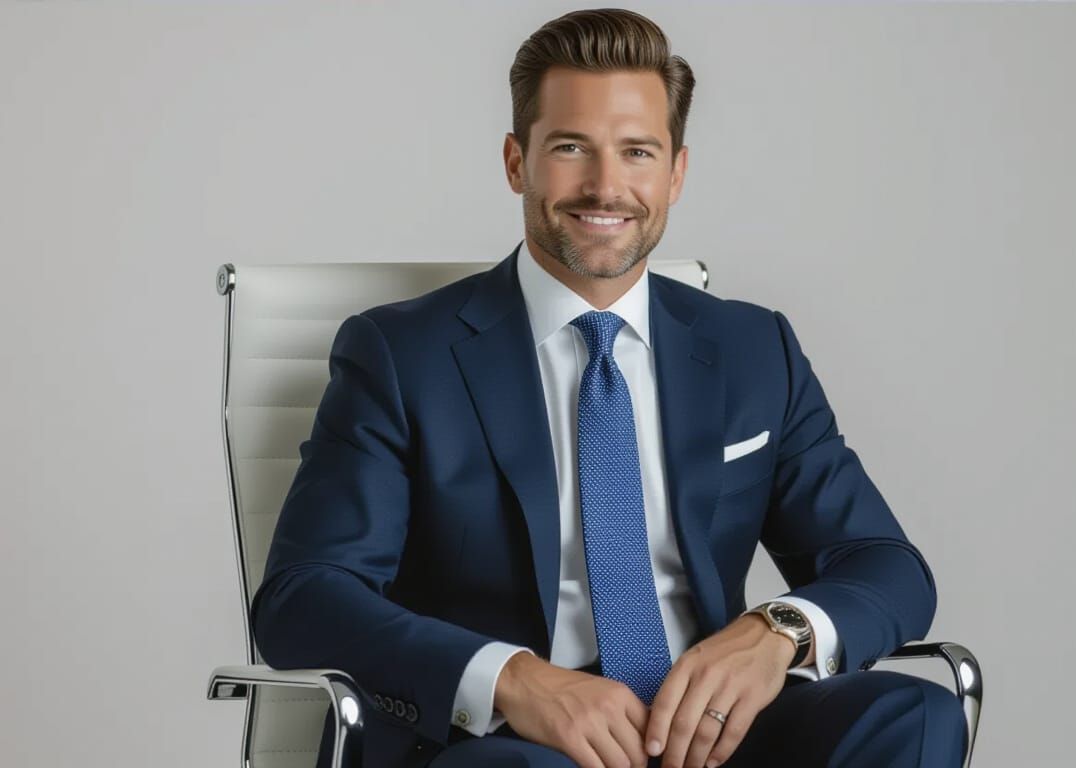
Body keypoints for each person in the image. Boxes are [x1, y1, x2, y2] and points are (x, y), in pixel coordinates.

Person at [251, 8, 967, 768]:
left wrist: (776, 633)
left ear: (676, 173)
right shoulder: (400, 354)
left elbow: (885, 562)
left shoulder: (754, 349)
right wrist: (515, 681)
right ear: (515, 162)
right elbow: (307, 595)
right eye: (570, 148)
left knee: (913, 715)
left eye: (637, 152)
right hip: (512, 742)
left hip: (708, 731)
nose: (606, 186)